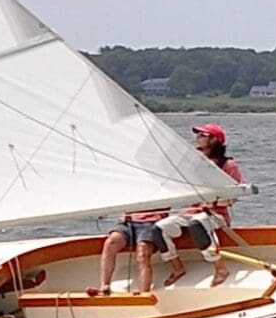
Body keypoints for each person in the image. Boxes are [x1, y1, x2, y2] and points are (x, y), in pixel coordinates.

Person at [94, 124, 246, 294]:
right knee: (159, 227)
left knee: (196, 223)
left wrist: (211, 204)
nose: (197, 139)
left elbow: (232, 197)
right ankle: (177, 267)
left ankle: (220, 268)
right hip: (194, 211)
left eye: (202, 135)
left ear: (214, 140)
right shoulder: (195, 165)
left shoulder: (229, 165)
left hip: (216, 215)